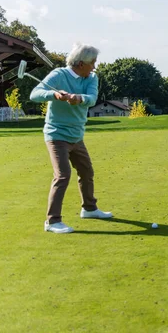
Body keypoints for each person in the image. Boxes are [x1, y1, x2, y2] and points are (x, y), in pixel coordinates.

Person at [30, 43, 113, 234]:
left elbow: (91, 98)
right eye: (92, 62)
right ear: (81, 63)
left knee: (86, 171)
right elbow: (35, 94)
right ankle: (52, 221)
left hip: (77, 135)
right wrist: (54, 94)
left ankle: (89, 209)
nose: (94, 66)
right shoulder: (59, 75)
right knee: (62, 175)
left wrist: (78, 98)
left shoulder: (91, 77)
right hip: (56, 134)